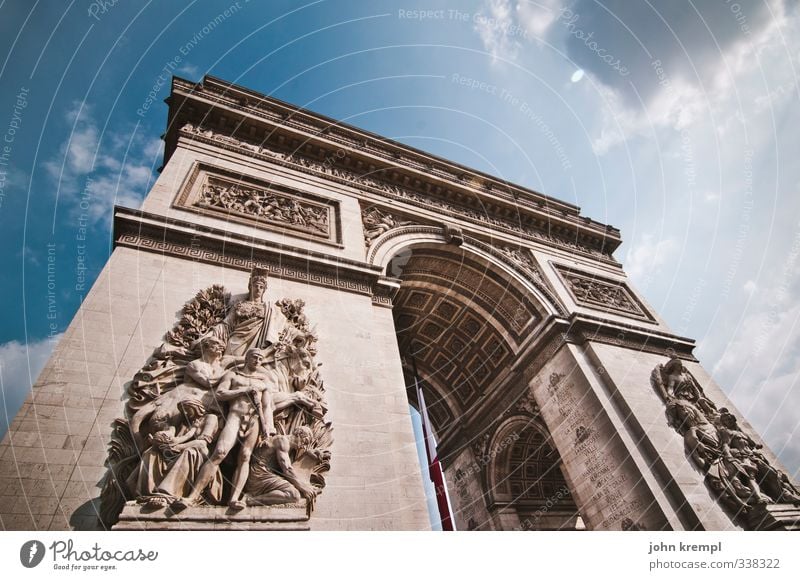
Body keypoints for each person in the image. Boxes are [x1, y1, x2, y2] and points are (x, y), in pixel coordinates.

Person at [179, 349, 315, 510]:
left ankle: (235, 498)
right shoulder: (233, 375)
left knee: (245, 457)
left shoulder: (262, 382)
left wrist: (269, 427)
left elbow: (266, 407)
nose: (257, 360)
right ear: (247, 358)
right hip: (235, 417)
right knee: (220, 452)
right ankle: (192, 496)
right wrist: (243, 391)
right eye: (255, 357)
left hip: (254, 421)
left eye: (260, 358)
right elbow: (220, 393)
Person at [202, 268, 287, 357]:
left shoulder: (270, 308)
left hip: (258, 342)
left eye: (261, 287)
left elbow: (284, 326)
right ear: (250, 287)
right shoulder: (239, 304)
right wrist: (209, 335)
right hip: (237, 340)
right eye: (256, 286)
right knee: (227, 361)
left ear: (264, 290)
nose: (258, 289)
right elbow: (226, 324)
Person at [244, 426, 320, 507]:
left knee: (294, 493)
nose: (303, 446)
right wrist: (304, 488)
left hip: (265, 476)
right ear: (299, 434)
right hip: (259, 477)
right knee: (293, 495)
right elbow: (287, 470)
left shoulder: (289, 448)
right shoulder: (282, 441)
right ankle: (251, 500)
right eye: (305, 441)